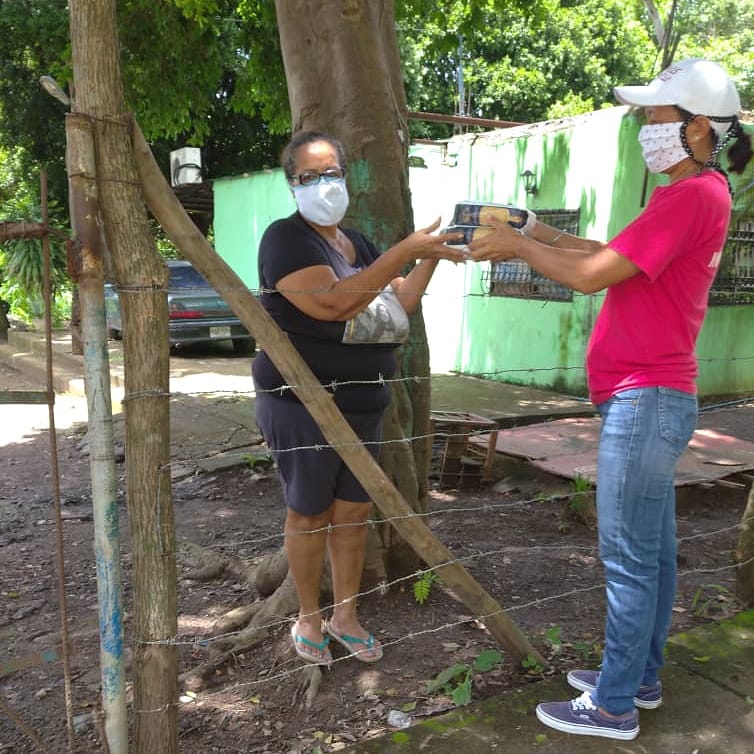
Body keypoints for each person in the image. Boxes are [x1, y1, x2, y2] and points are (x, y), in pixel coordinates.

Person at [469, 58, 752, 741]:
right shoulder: (693, 196)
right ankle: (637, 679)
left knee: (628, 557)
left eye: (655, 116)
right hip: (654, 399)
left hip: (643, 401)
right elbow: (606, 252)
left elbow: (594, 276)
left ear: (696, 129)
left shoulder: (691, 198)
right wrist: (537, 230)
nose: (643, 126)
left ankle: (613, 705)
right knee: (650, 556)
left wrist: (510, 245)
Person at [252, 130, 466, 665]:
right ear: (292, 184)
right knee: (310, 513)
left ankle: (345, 615)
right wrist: (405, 250)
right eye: (310, 176)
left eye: (333, 172)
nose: (325, 184)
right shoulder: (287, 239)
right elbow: (332, 304)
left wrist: (432, 255)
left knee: (353, 513)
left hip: (364, 402)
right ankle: (307, 617)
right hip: (302, 402)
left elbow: (398, 307)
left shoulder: (358, 244)